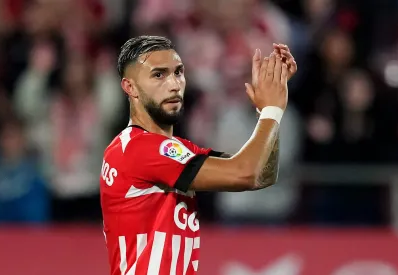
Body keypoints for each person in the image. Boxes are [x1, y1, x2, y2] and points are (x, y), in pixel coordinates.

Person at [100, 35, 297, 275]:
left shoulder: (174, 150)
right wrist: (271, 110)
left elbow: (262, 173)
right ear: (130, 87)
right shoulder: (139, 149)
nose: (174, 84)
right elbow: (246, 173)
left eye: (178, 72)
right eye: (158, 75)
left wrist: (264, 111)